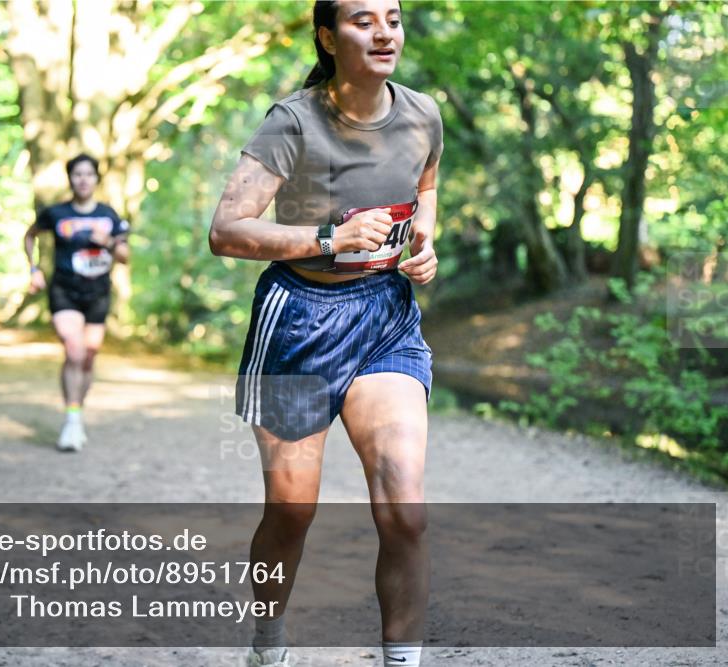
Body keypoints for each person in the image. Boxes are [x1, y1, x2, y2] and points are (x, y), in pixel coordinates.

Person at [209, 1, 443, 666]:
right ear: (327, 37)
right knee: (292, 511)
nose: (384, 32)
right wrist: (327, 239)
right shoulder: (294, 121)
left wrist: (424, 244)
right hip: (298, 322)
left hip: (385, 319)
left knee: (405, 508)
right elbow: (226, 230)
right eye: (363, 20)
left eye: (393, 18)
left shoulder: (423, 114)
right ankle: (268, 642)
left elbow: (426, 189)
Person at [24, 154, 130, 452]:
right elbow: (30, 236)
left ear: (96, 179)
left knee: (88, 357)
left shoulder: (109, 215)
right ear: (70, 178)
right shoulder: (56, 213)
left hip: (97, 293)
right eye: (77, 174)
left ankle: (77, 413)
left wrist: (108, 241)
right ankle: (71, 421)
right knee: (74, 349)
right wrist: (33, 269)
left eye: (89, 174)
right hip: (64, 290)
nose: (83, 179)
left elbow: (125, 256)